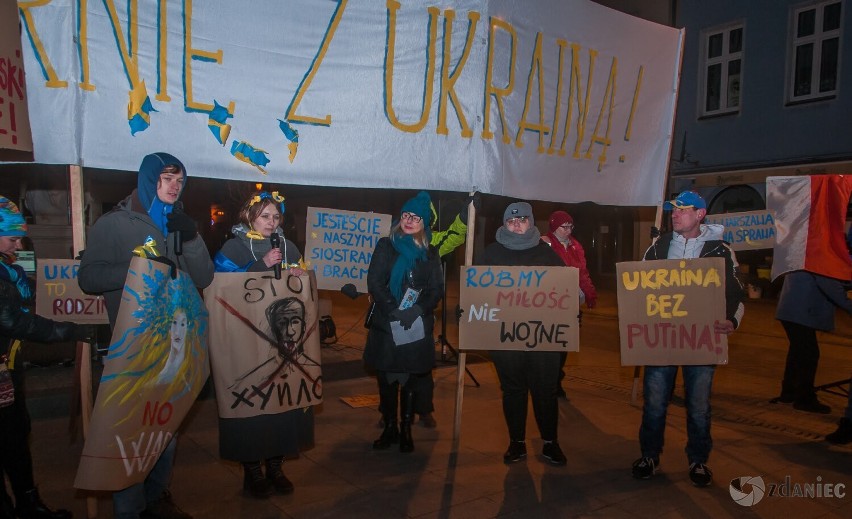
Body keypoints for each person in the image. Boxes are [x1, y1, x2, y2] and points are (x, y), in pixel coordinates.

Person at [78, 153, 214, 519]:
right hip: (132, 350)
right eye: (167, 178)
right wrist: (138, 267)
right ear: (148, 179)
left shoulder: (179, 224)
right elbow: (88, 278)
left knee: (164, 434)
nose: (175, 187)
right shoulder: (115, 224)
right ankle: (130, 510)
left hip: (173, 350)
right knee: (130, 438)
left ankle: (156, 498)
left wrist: (194, 237)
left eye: (180, 181)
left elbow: (203, 278)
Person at [631, 190, 744, 487]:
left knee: (698, 405)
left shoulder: (720, 250)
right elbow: (638, 289)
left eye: (683, 209)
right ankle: (650, 456)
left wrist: (732, 321)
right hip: (663, 340)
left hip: (701, 341)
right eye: (673, 209)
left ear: (700, 215)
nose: (675, 214)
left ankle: (698, 460)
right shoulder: (658, 248)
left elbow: (736, 294)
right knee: (654, 403)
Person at [212, 191, 312, 499]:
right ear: (249, 216)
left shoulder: (288, 246)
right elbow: (219, 285)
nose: (271, 222)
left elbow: (302, 289)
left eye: (275, 217)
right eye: (264, 216)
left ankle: (276, 467)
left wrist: (299, 272)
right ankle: (252, 472)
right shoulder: (234, 246)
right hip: (244, 342)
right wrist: (259, 265)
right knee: (251, 407)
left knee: (280, 406)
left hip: (279, 342)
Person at [0, 196, 94, 519]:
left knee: (15, 438)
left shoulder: (8, 272)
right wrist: (69, 331)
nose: (18, 244)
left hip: (8, 371)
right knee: (8, 439)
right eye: (12, 238)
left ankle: (28, 503)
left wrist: (72, 275)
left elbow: (38, 289)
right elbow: (16, 321)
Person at [477, 201, 568, 466]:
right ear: (504, 225)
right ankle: (516, 442)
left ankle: (550, 442)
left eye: (522, 220)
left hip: (542, 339)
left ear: (531, 222)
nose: (516, 224)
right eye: (511, 221)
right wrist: (468, 311)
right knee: (513, 389)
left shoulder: (547, 255)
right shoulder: (490, 255)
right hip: (505, 337)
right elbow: (476, 291)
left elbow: (564, 294)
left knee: (545, 391)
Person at [364, 191, 443, 453]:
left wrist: (416, 310)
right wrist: (393, 309)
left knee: (410, 380)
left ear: (424, 224)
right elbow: (375, 281)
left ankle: (407, 429)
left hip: (414, 325)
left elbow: (435, 290)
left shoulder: (430, 254)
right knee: (386, 380)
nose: (410, 221)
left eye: (416, 217)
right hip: (387, 326)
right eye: (407, 215)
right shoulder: (385, 246)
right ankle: (390, 428)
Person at [773, 271, 852, 413]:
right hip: (801, 311)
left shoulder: (804, 255)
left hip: (792, 309)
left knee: (798, 353)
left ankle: (789, 393)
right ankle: (804, 399)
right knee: (809, 355)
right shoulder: (820, 259)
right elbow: (830, 286)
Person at [542, 210, 596, 398]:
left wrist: (589, 292)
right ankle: (551, 379)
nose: (567, 230)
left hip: (571, 302)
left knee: (565, 342)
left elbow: (582, 271)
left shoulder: (576, 246)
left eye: (570, 226)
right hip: (550, 302)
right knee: (551, 343)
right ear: (554, 226)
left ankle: (556, 377)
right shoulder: (544, 244)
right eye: (563, 226)